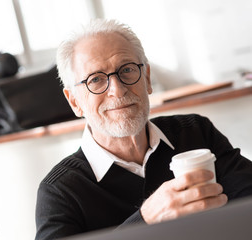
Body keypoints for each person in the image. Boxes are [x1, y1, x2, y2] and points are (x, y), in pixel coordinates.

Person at [35, 19, 252, 240]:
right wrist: (145, 221)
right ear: (74, 102)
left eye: (127, 70)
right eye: (96, 79)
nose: (117, 91)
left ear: (146, 78)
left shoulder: (196, 132)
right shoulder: (60, 192)